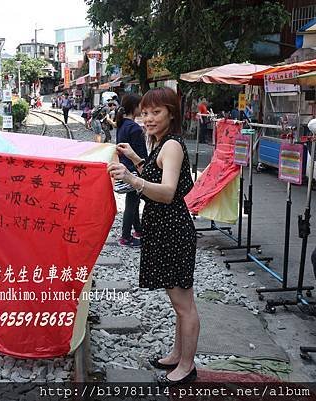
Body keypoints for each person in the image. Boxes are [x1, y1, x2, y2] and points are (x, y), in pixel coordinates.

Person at [108, 87, 199, 385]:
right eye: (145, 112)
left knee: (184, 305)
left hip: (173, 230)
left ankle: (187, 367)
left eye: (156, 112)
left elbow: (168, 190)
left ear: (171, 114)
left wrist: (132, 179)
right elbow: (155, 173)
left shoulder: (171, 145)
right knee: (177, 303)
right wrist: (135, 158)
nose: (148, 118)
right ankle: (176, 355)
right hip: (163, 228)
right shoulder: (160, 144)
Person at [114, 94, 147, 247]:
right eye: (141, 105)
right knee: (132, 204)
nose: (143, 108)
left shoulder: (122, 125)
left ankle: (138, 230)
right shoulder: (134, 128)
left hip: (124, 167)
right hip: (134, 170)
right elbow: (141, 153)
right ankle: (125, 237)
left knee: (133, 202)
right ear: (134, 107)